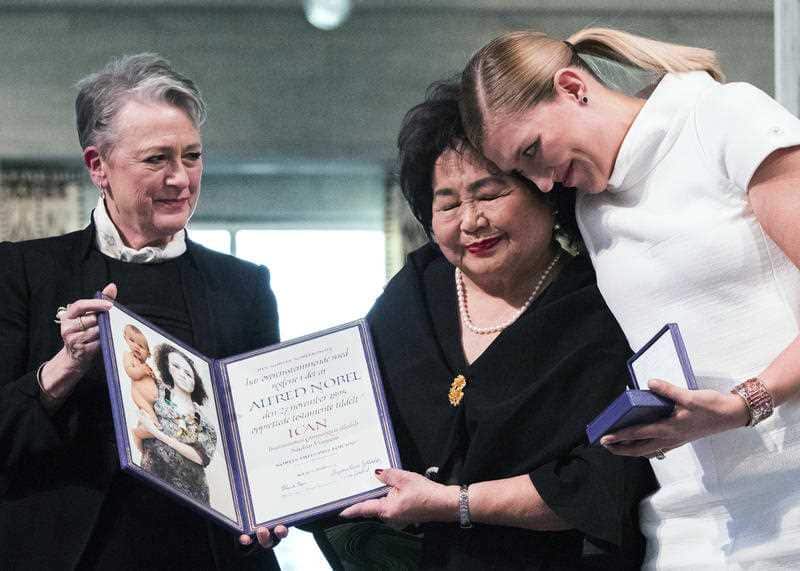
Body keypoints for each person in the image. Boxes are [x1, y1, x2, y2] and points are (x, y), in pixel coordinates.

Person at [459, 27, 800, 568]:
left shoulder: (720, 118)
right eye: (520, 173)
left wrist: (745, 402)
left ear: (573, 87)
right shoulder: (593, 210)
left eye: (533, 151)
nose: (543, 184)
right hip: (691, 527)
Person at [334, 81, 656, 570]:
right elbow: (348, 421)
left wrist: (454, 503)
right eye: (447, 204)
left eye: (490, 193)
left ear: (544, 190)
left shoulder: (601, 306)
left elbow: (603, 481)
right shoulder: (417, 290)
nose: (471, 221)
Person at [0, 53, 285, 570]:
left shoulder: (246, 286)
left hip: (212, 555)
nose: (181, 178)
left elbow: (260, 437)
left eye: (192, 156)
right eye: (157, 159)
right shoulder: (22, 272)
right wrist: (62, 369)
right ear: (98, 166)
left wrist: (275, 500)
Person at [135, 343, 216, 505]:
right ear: (167, 368)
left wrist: (157, 433)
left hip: (191, 496)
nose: (183, 374)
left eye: (188, 372)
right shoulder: (158, 395)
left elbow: (200, 457)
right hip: (148, 485)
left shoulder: (202, 420)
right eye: (176, 366)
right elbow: (140, 429)